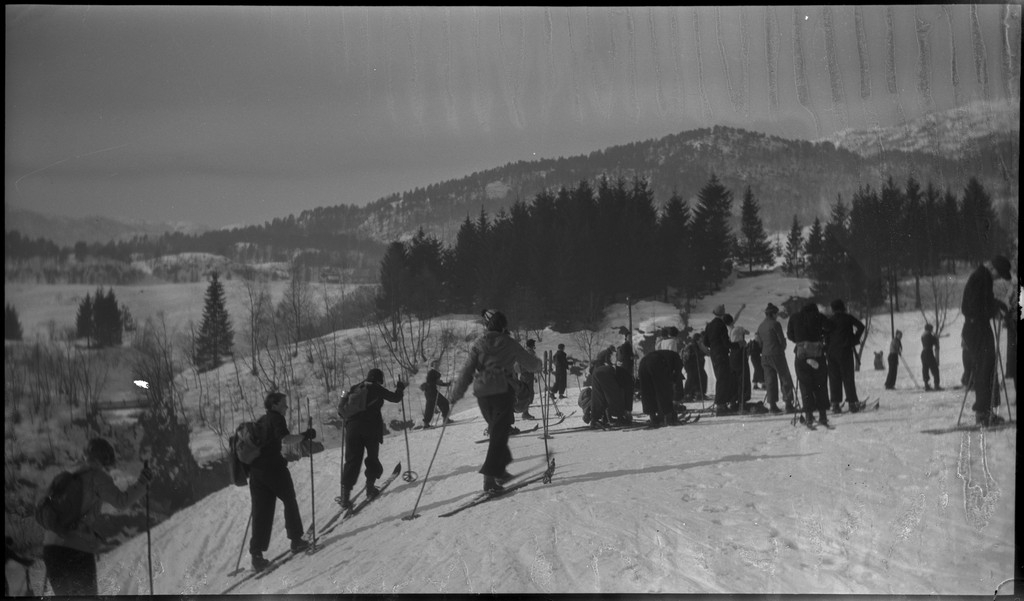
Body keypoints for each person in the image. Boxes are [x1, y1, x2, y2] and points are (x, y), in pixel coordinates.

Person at [42, 438, 154, 594]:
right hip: (76, 549)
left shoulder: (64, 477)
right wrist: (143, 482)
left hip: (51, 549)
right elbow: (122, 502)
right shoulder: (96, 476)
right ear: (105, 458)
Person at [451, 309, 542, 493]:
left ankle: (499, 470)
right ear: (503, 326)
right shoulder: (509, 343)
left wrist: (456, 393)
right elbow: (531, 364)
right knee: (498, 435)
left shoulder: (479, 343)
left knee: (498, 431)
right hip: (502, 392)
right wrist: (539, 364)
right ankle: (489, 480)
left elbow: (467, 370)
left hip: (483, 394)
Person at [249, 392, 317, 569]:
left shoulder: (261, 420)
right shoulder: (276, 418)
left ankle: (256, 555)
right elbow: (285, 439)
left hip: (256, 472)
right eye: (284, 404)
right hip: (274, 469)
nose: (286, 407)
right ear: (275, 405)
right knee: (289, 500)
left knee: (261, 511)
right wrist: (305, 435)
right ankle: (296, 540)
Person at [340, 370, 406, 510]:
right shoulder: (375, 387)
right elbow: (395, 398)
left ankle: (345, 496)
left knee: (352, 460)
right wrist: (400, 388)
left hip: (352, 428)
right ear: (378, 378)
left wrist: (343, 397)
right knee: (372, 458)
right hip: (370, 428)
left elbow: (342, 407)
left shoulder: (355, 387)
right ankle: (370, 488)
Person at [960, 255, 1012, 426]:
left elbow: (984, 302)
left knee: (989, 367)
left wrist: (998, 305)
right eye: (1000, 274)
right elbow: (973, 306)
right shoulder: (981, 277)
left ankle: (988, 411)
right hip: (976, 328)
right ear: (994, 268)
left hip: (979, 327)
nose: (999, 277)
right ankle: (982, 414)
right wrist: (994, 308)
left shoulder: (984, 276)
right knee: (985, 368)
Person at [788, 302, 833, 427]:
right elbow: (830, 327)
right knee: (820, 384)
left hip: (802, 355)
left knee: (805, 385)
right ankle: (823, 415)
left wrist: (800, 339)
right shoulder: (819, 316)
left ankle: (808, 415)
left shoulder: (795, 317)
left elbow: (790, 335)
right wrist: (822, 336)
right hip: (817, 355)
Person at [826, 299, 865, 413]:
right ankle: (852, 404)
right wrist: (853, 339)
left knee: (834, 378)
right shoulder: (847, 318)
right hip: (845, 350)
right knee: (848, 377)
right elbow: (861, 327)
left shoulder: (830, 320)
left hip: (832, 353)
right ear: (842, 307)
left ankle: (835, 405)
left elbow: (826, 336)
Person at [756, 303, 794, 414]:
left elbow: (759, 342)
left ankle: (772, 406)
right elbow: (782, 341)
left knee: (770, 380)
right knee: (785, 378)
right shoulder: (775, 324)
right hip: (776, 354)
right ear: (772, 314)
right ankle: (788, 404)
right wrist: (782, 347)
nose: (777, 316)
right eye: (776, 314)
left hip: (765, 355)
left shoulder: (761, 326)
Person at [638, 349, 686, 426]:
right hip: (656, 362)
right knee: (663, 390)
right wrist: (677, 398)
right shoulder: (677, 358)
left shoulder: (669, 354)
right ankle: (667, 417)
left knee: (647, 391)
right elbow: (676, 378)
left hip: (643, 362)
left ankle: (652, 416)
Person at [703, 305, 732, 414]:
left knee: (719, 378)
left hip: (714, 354)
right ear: (723, 314)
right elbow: (726, 343)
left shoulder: (709, 325)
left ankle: (721, 403)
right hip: (722, 354)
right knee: (723, 378)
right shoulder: (722, 325)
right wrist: (736, 345)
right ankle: (721, 405)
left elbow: (706, 342)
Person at [728, 321, 753, 411]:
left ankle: (733, 401)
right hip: (740, 357)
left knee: (734, 380)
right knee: (743, 378)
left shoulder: (732, 346)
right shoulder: (740, 345)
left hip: (733, 358)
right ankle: (742, 401)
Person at [421, 360, 452, 428]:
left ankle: (427, 423)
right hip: (431, 392)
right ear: (432, 365)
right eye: (435, 365)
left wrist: (447, 384)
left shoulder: (435, 372)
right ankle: (444, 419)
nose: (437, 366)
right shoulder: (432, 372)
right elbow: (430, 381)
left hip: (431, 392)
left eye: (438, 364)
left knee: (434, 405)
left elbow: (436, 382)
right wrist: (438, 382)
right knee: (441, 403)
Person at [920, 324, 942, 392]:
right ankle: (936, 385)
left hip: (923, 353)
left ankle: (926, 385)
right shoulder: (929, 336)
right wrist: (936, 337)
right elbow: (935, 342)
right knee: (935, 369)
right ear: (929, 329)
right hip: (928, 353)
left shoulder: (923, 335)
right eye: (931, 329)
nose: (932, 330)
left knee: (925, 369)